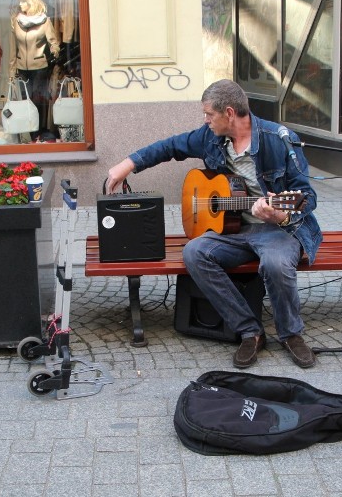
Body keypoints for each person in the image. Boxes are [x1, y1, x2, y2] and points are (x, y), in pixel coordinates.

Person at [106, 79, 323, 369]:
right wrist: (127, 165)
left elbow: (306, 195)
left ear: (229, 113)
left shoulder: (279, 139)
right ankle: (250, 331)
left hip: (276, 230)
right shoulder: (211, 138)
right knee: (194, 252)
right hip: (233, 231)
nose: (205, 121)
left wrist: (280, 215)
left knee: (275, 264)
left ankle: (291, 334)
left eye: (209, 115)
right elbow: (170, 146)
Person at [8, 0, 60, 140]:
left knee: (37, 99)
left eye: (24, 1)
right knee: (26, 100)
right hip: (22, 67)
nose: (20, 4)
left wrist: (54, 50)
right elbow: (13, 49)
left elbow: (53, 41)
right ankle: (31, 133)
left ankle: (39, 132)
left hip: (39, 66)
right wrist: (12, 70)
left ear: (32, 3)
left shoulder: (44, 21)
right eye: (20, 1)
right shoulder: (16, 21)